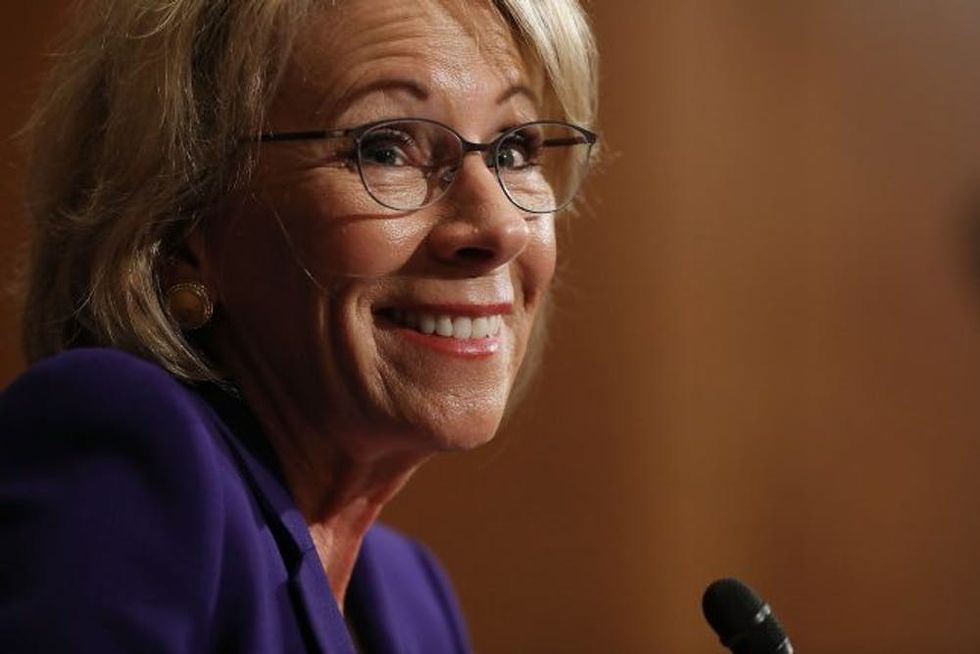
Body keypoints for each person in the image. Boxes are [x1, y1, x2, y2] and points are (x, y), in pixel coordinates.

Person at [0, 0, 597, 651]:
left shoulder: (413, 597)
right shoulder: (131, 457)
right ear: (181, 222)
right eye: (385, 148)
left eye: (514, 151)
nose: (500, 228)